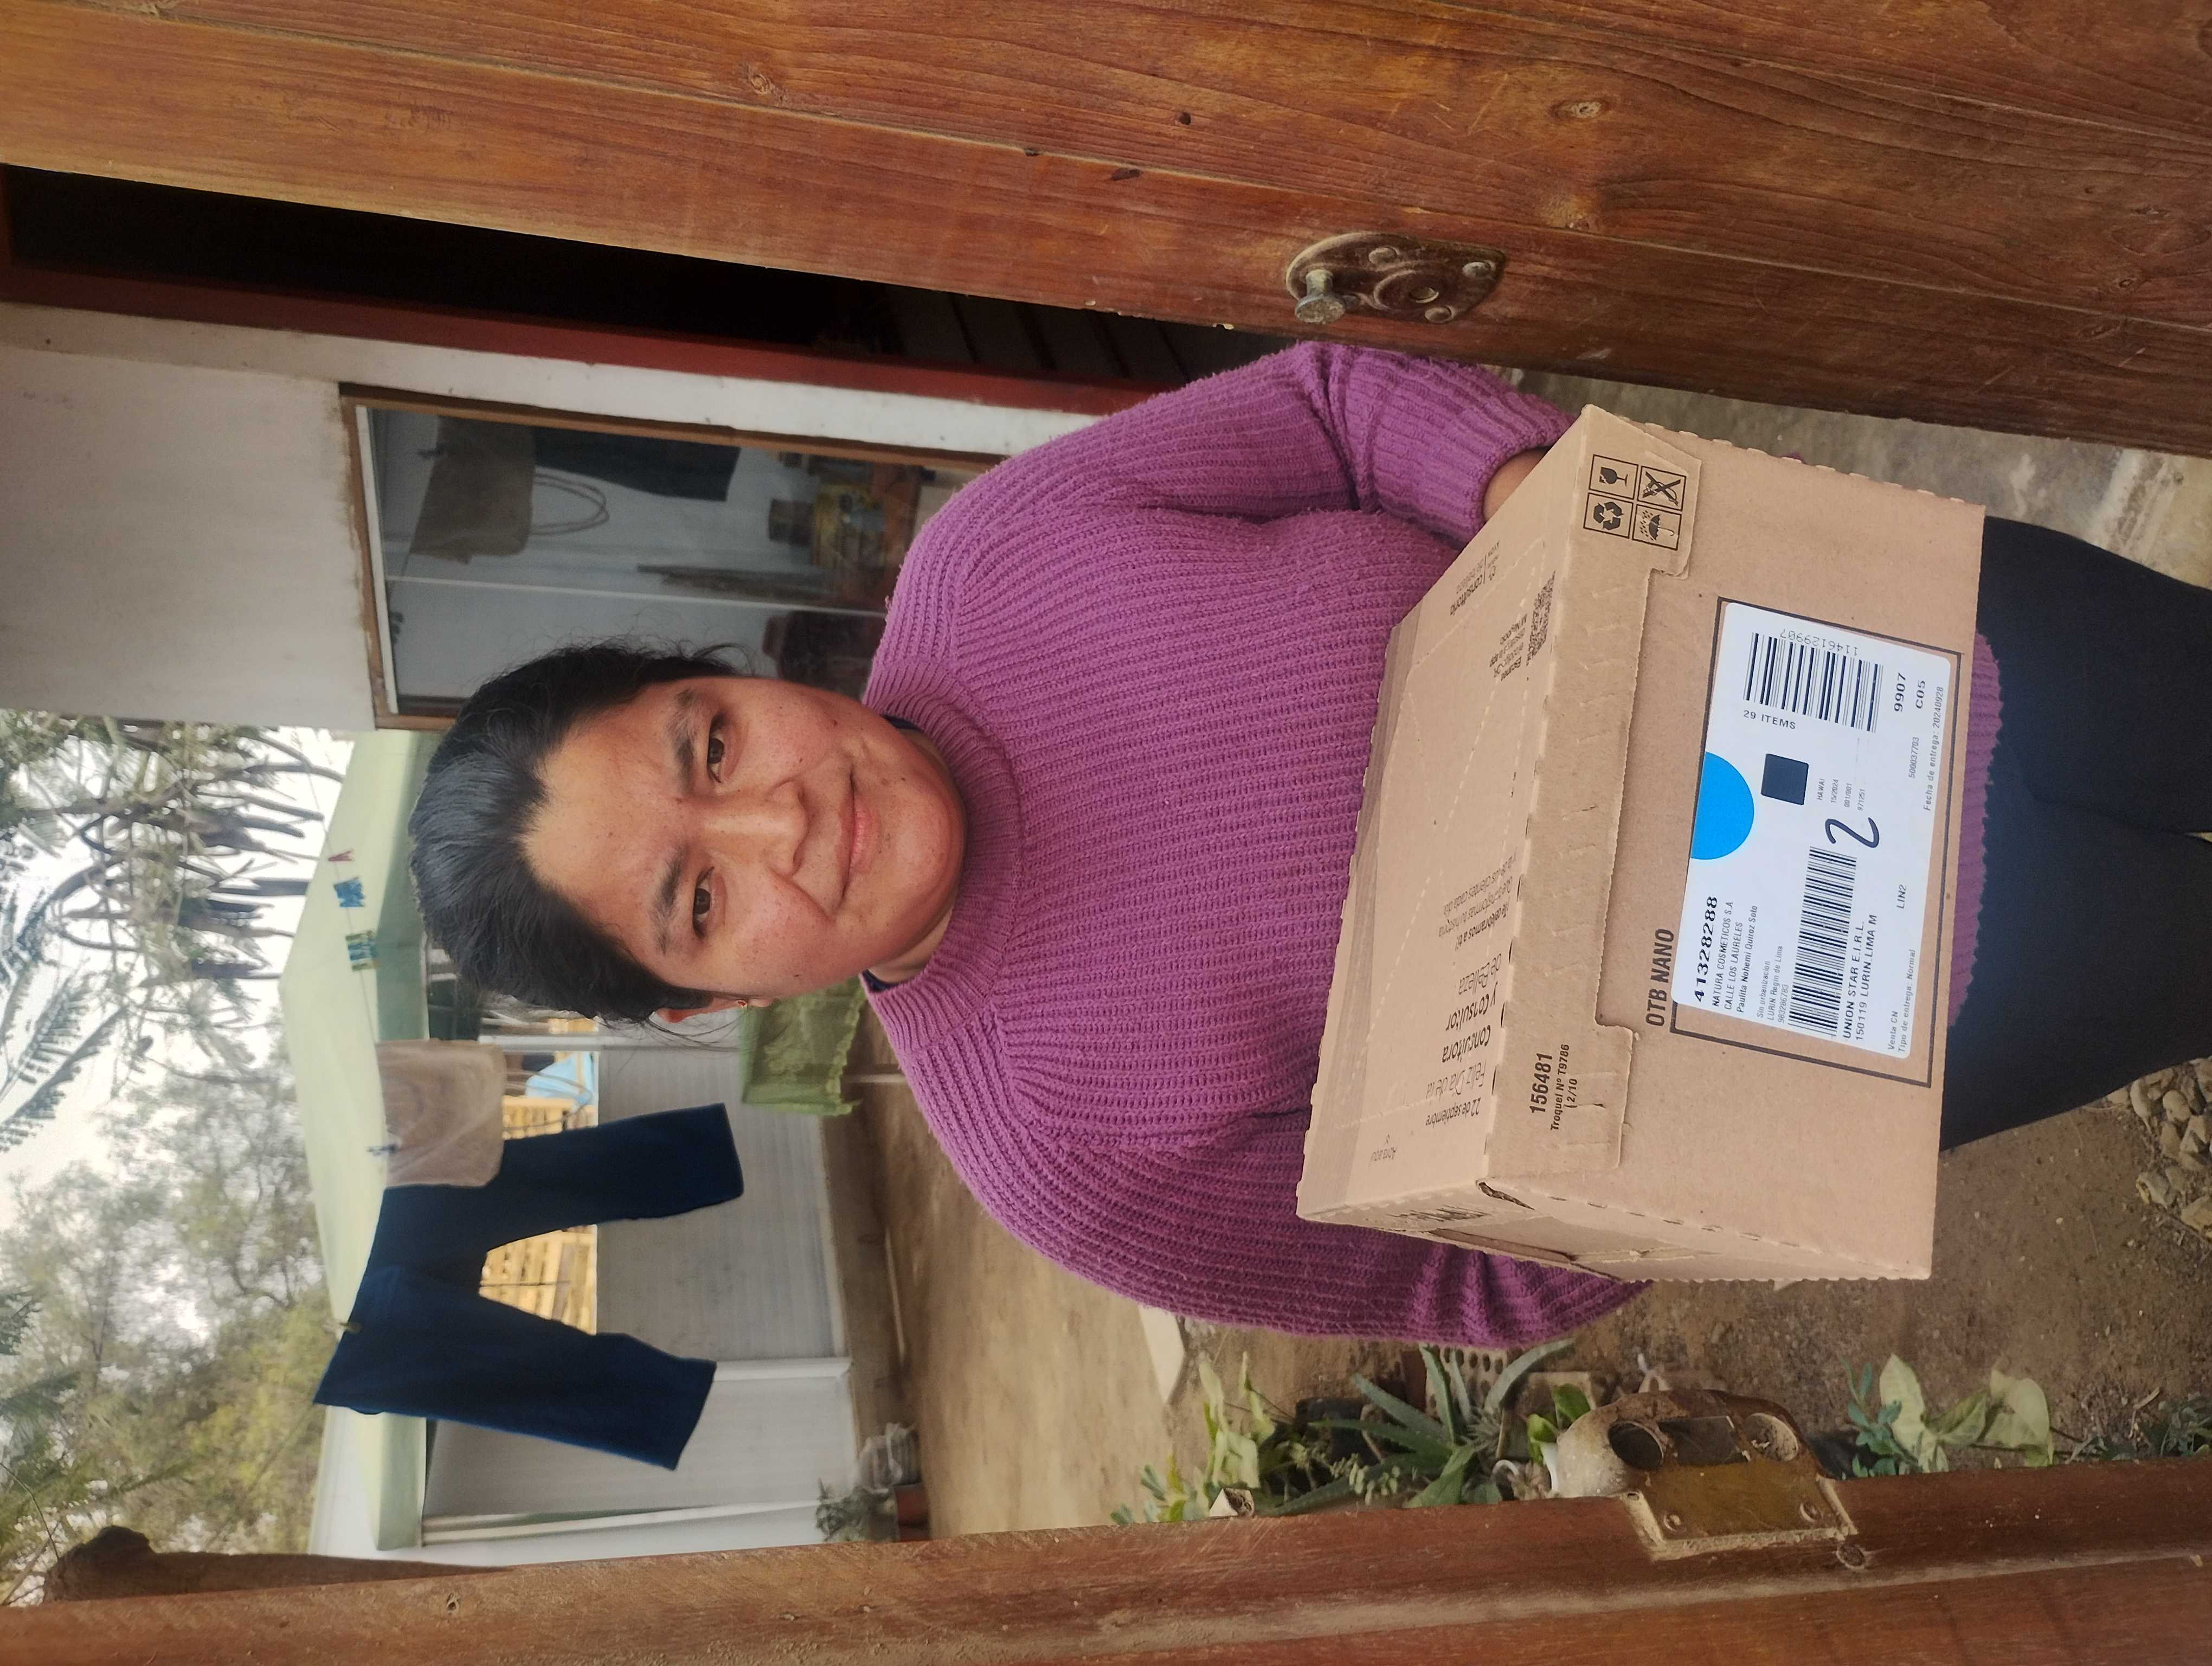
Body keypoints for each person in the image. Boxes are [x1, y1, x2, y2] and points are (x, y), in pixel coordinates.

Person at [409, 343, 2210, 1345]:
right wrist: (1650, 1137)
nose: (782, 814)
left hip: (1877, 643)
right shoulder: (1064, 1161)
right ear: (701, 1007)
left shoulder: (1000, 556)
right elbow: (1463, 1276)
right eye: (700, 894)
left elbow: (1336, 407)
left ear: (722, 673)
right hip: (1925, 989)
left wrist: (1519, 497)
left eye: (710, 743)